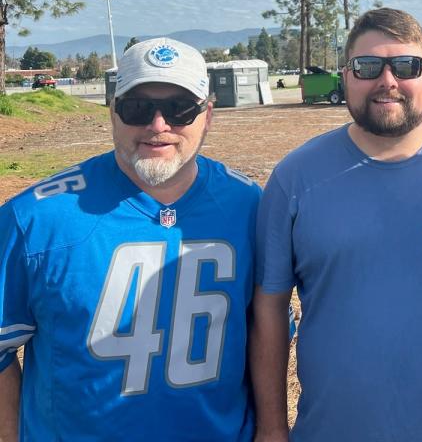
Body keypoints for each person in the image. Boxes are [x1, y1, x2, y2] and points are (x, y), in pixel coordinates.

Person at [251, 7, 422, 442]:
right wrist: (272, 427)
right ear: (346, 76)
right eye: (368, 67)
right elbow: (269, 310)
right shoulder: (295, 178)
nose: (387, 80)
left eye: (406, 66)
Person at [0, 38, 260, 440]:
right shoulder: (35, 218)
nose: (158, 126)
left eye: (180, 109)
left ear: (207, 115)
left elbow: (266, 332)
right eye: (137, 108)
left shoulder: (249, 206)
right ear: (113, 113)